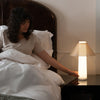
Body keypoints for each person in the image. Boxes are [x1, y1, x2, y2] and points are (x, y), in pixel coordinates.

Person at [0, 7, 78, 77]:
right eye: (23, 23)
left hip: (24, 69)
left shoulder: (32, 38)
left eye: (28, 22)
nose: (27, 25)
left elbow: (48, 59)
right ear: (15, 23)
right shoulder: (3, 33)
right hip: (7, 65)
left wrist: (68, 71)